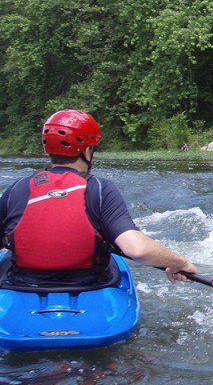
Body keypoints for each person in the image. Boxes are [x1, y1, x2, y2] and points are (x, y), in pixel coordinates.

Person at [0, 109, 197, 288]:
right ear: (87, 150)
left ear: (47, 148)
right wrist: (180, 262)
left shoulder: (18, 188)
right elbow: (137, 249)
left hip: (21, 286)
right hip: (89, 285)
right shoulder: (100, 189)